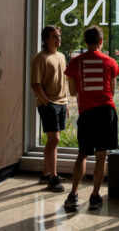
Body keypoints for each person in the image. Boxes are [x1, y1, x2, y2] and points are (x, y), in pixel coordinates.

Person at [63, 26, 119, 210]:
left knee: (82, 154)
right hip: (106, 111)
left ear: (85, 41)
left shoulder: (75, 62)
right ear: (101, 41)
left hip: (86, 112)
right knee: (101, 155)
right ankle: (95, 197)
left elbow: (72, 92)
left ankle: (73, 195)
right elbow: (112, 91)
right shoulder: (110, 62)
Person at [31, 25, 68, 192]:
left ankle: (46, 173)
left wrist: (65, 103)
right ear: (46, 39)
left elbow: (63, 80)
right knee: (55, 139)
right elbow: (35, 84)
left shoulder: (61, 56)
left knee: (53, 139)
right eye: (54, 36)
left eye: (59, 36)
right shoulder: (40, 58)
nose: (58, 39)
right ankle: (53, 178)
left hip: (61, 103)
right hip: (49, 104)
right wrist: (47, 103)